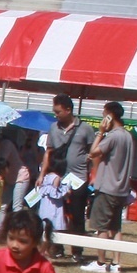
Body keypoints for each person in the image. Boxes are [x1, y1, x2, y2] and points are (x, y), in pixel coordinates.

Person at [37, 94, 95, 262]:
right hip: (57, 177)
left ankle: (77, 250)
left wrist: (92, 175)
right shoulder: (54, 128)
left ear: (68, 110)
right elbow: (48, 152)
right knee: (57, 215)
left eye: (58, 111)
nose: (56, 115)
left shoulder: (85, 129)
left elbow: (93, 153)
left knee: (77, 215)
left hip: (78, 178)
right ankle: (57, 248)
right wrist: (42, 174)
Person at [81, 102, 134, 273]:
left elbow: (94, 151)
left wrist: (101, 132)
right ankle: (117, 263)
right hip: (121, 189)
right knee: (116, 227)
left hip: (107, 188)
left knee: (101, 226)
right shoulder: (128, 136)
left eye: (104, 115)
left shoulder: (113, 136)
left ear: (110, 116)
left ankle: (101, 262)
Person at [12, 130, 43, 212]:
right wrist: (25, 145)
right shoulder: (23, 148)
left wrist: (34, 146)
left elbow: (38, 160)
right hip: (25, 176)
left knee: (34, 202)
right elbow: (19, 159)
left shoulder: (40, 149)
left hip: (35, 177)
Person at [37, 156, 68, 236]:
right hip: (53, 206)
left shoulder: (46, 176)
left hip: (45, 206)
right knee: (54, 228)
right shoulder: (56, 178)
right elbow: (55, 194)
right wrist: (66, 191)